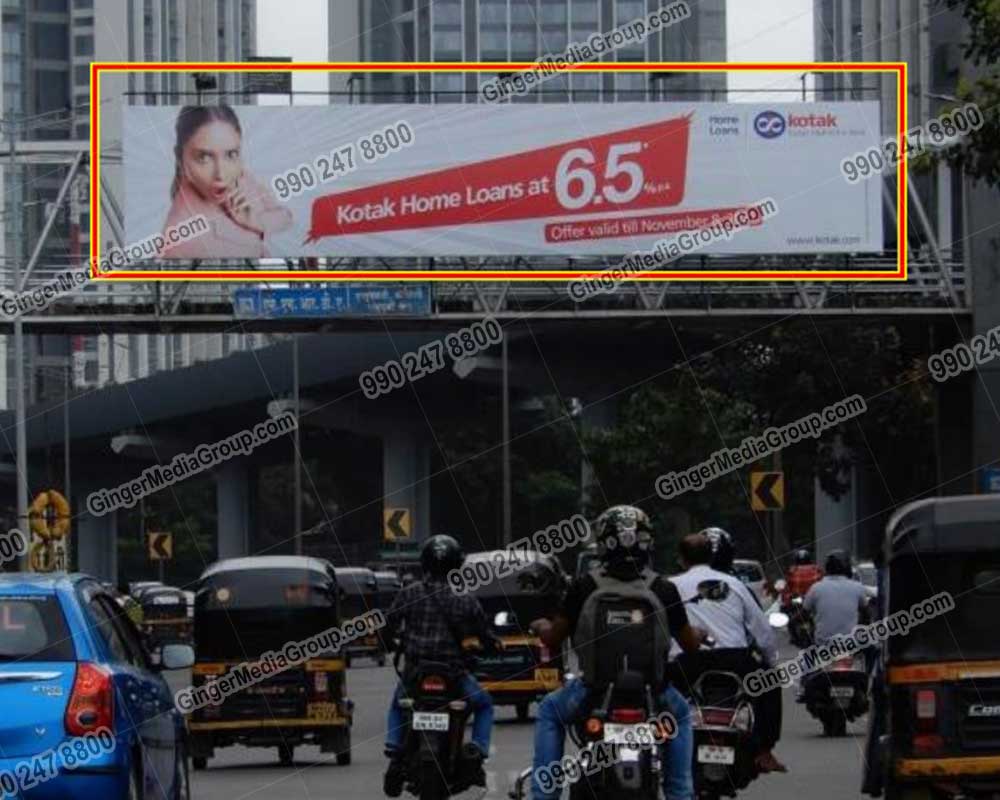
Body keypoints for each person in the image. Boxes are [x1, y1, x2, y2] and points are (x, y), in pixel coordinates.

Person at [528, 505, 704, 800]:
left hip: (593, 691)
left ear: (603, 543)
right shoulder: (662, 589)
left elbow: (554, 638)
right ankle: (680, 793)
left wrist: (541, 627)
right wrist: (698, 634)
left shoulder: (584, 586)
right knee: (683, 716)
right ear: (647, 541)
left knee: (549, 712)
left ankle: (544, 796)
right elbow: (690, 645)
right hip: (653, 693)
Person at [382, 535, 497, 797]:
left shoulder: (409, 593)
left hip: (415, 673)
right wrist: (493, 645)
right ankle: (477, 749)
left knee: (397, 705)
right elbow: (484, 633)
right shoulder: (465, 598)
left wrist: (388, 642)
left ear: (424, 563)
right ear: (457, 565)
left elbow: (388, 625)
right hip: (453, 675)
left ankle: (394, 747)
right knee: (484, 704)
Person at [670, 531, 788, 774]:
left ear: (681, 560)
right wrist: (770, 663)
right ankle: (764, 751)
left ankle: (665, 748)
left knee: (660, 697)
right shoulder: (735, 585)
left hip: (689, 662)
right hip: (736, 660)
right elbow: (763, 632)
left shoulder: (670, 586)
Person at [161, 104, 292, 259]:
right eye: (204, 157)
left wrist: (256, 221)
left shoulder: (243, 177)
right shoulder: (180, 237)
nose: (221, 174)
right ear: (180, 157)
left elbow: (285, 216)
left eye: (231, 154)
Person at [803, 550, 870, 645]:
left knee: (806, 653)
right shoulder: (857, 587)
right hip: (851, 642)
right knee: (873, 651)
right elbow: (866, 613)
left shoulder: (816, 588)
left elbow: (804, 611)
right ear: (847, 567)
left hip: (823, 643)